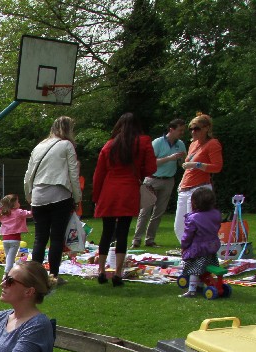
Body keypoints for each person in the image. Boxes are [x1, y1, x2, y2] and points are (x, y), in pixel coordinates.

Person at [92, 113, 156, 285]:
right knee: (123, 231)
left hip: (109, 189)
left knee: (106, 231)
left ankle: (101, 270)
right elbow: (151, 168)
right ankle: (118, 273)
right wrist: (139, 172)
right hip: (129, 189)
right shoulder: (143, 141)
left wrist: (96, 196)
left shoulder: (109, 145)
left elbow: (99, 173)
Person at [25, 116, 81, 279]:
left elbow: (28, 174)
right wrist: (77, 197)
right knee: (56, 238)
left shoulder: (39, 146)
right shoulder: (66, 145)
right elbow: (73, 174)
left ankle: (35, 276)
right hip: (59, 195)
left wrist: (29, 194)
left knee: (40, 238)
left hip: (38, 196)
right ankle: (53, 275)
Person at [132, 119, 186, 248]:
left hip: (168, 181)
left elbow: (183, 163)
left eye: (183, 130)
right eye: (180, 130)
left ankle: (150, 240)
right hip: (152, 179)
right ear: (171, 129)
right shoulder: (157, 142)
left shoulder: (180, 144)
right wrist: (170, 158)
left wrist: (183, 159)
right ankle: (136, 240)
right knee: (145, 211)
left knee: (158, 212)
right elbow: (150, 162)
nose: (182, 133)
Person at [174, 113, 224, 241]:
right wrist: (181, 183)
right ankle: (187, 249)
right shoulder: (193, 144)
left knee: (194, 224)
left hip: (199, 189)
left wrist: (197, 165)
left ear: (206, 128)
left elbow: (217, 167)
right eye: (191, 129)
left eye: (196, 128)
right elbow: (188, 168)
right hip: (185, 189)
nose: (193, 132)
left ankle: (197, 250)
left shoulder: (213, 144)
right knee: (179, 226)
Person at [178, 187, 222, 298]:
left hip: (198, 249)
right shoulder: (216, 214)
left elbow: (187, 236)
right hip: (212, 246)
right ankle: (200, 285)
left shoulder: (193, 218)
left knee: (194, 268)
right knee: (205, 267)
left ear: (194, 203)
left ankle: (192, 290)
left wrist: (184, 246)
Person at [0, 194, 33, 275]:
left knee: (9, 257)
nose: (19, 203)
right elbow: (30, 214)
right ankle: (6, 274)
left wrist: (0, 209)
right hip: (15, 239)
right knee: (10, 259)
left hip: (5, 239)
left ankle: (11, 272)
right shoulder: (19, 212)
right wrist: (32, 204)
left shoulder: (3, 213)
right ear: (13, 204)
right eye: (17, 201)